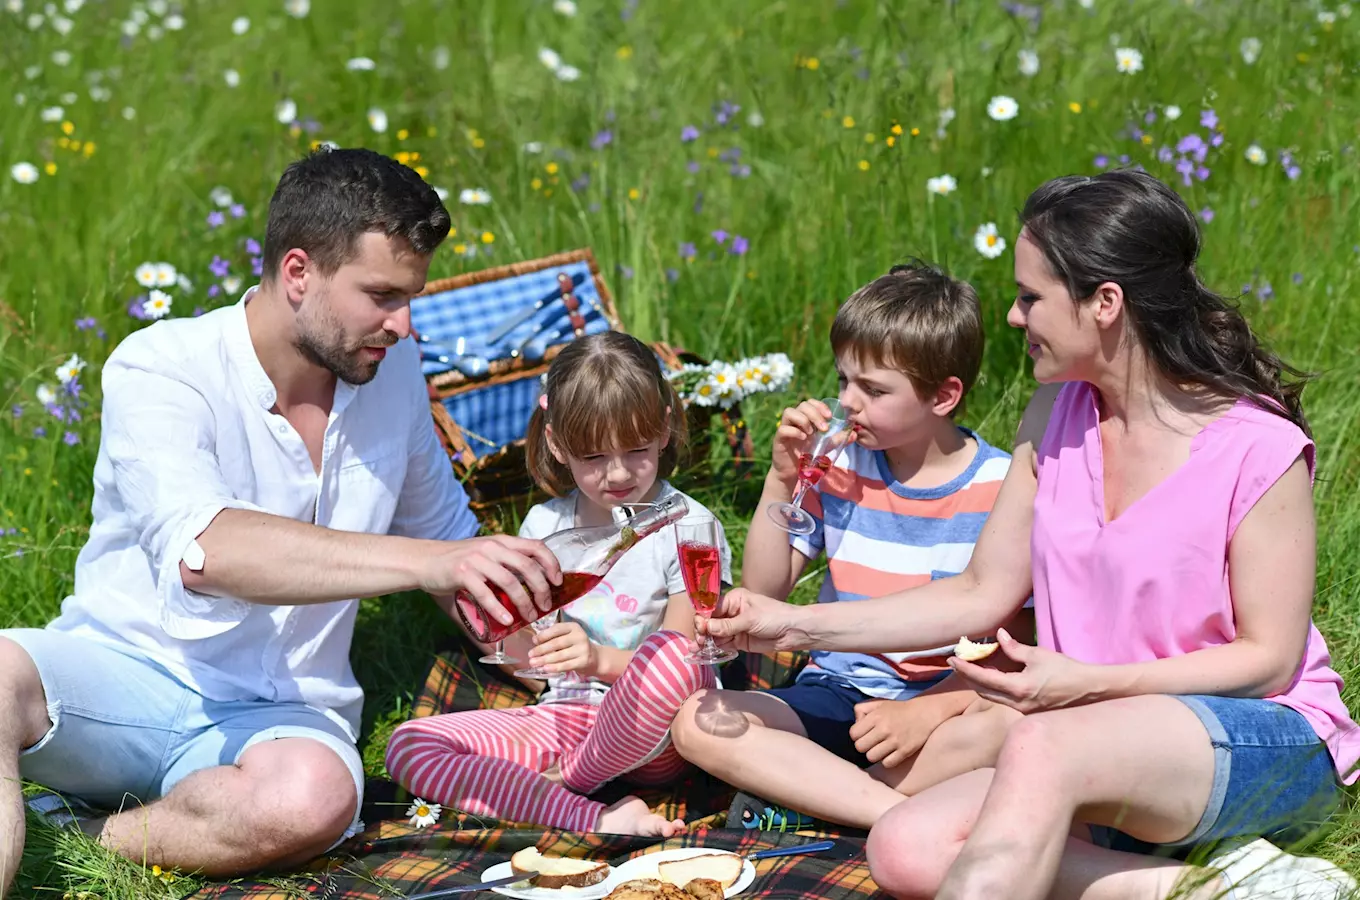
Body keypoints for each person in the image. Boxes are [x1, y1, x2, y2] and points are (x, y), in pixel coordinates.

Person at [700, 170, 1360, 899]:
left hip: (1262, 738)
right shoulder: (1054, 417)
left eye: (1030, 297)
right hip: (1091, 736)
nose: (1013, 318)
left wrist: (1087, 684)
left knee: (1038, 743)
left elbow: (1267, 663)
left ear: (1104, 303)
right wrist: (789, 623)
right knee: (905, 844)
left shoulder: (1257, 447)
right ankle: (1219, 888)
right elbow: (980, 593)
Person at [0, 148, 563, 894]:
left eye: (411, 297)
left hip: (286, 709)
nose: (403, 323)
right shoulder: (162, 366)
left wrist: (570, 666)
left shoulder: (391, 372)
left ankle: (80, 832)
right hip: (122, 678)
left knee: (317, 799)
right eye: (382, 295)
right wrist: (427, 561)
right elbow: (209, 553)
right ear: (298, 273)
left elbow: (450, 544)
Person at [671, 262, 1028, 831]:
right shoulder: (839, 465)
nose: (847, 402)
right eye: (843, 381)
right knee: (699, 719)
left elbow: (1017, 636)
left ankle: (813, 791)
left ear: (944, 395)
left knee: (1012, 728)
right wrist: (782, 478)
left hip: (945, 705)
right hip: (837, 688)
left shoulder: (1003, 486)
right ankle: (897, 815)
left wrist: (933, 710)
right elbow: (766, 589)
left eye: (873, 389)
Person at [385, 331, 731, 838]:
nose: (617, 473)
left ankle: (565, 784)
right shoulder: (545, 527)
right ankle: (598, 817)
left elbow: (682, 657)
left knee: (678, 664)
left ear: (663, 430)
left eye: (636, 449)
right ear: (556, 444)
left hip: (657, 732)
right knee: (410, 746)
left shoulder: (688, 528)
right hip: (571, 716)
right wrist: (509, 628)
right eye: (593, 457)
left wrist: (597, 660)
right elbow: (531, 658)